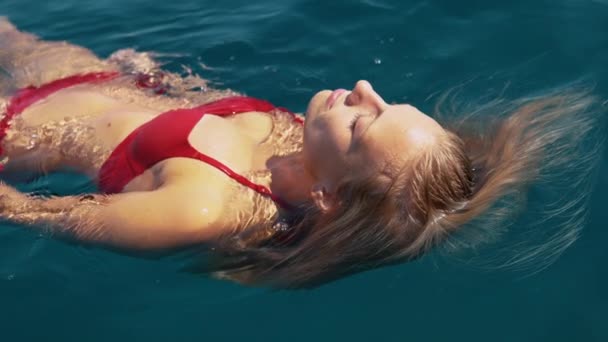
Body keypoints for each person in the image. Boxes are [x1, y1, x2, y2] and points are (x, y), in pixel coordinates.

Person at [0, 18, 602, 288]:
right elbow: (208, 110)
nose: (364, 93)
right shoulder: (303, 135)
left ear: (328, 195)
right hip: (98, 77)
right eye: (387, 104)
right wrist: (158, 85)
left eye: (363, 127)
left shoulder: (199, 211)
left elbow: (26, 212)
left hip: (17, 130)